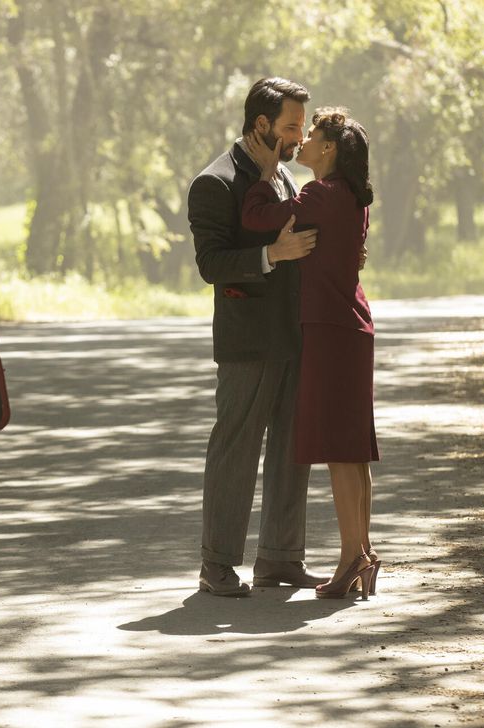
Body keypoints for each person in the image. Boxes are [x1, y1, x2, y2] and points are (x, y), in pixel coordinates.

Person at [188, 77, 329, 596]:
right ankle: (217, 565)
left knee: (294, 449)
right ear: (262, 124)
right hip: (247, 343)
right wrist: (272, 255)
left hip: (297, 337)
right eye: (292, 125)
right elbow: (211, 264)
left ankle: (280, 559)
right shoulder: (215, 182)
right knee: (235, 452)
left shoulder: (287, 175)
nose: (299, 135)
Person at [241, 107, 379, 599]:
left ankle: (351, 560)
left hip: (331, 329)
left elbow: (255, 216)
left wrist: (262, 174)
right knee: (354, 452)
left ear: (330, 149)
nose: (303, 142)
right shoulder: (352, 196)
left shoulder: (320, 194)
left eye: (313, 135)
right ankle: (360, 553)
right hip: (352, 325)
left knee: (342, 453)